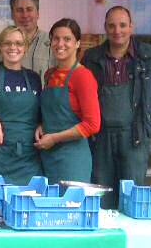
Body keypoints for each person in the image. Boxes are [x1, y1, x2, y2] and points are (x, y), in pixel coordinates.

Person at [82, 6, 151, 209]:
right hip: (99, 138)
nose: (118, 30)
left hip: (135, 137)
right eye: (112, 25)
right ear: (105, 28)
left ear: (131, 27)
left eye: (123, 25)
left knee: (132, 198)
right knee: (101, 198)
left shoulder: (149, 56)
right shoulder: (91, 57)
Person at [0, 26, 42, 185]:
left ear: (25, 48)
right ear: (0, 47)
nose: (13, 47)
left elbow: (39, 111)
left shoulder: (34, 78)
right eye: (7, 43)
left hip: (28, 155)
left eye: (18, 43)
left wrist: (40, 124)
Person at [35, 18, 100, 184]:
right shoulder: (50, 75)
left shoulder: (83, 76)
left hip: (72, 159)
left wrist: (54, 138)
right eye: (56, 38)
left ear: (77, 43)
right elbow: (52, 111)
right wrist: (42, 125)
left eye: (67, 39)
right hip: (47, 156)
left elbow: (92, 124)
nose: (60, 43)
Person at [0, 0, 55, 79]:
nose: (25, 15)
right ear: (12, 14)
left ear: (38, 14)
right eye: (19, 10)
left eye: (29, 9)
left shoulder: (52, 43)